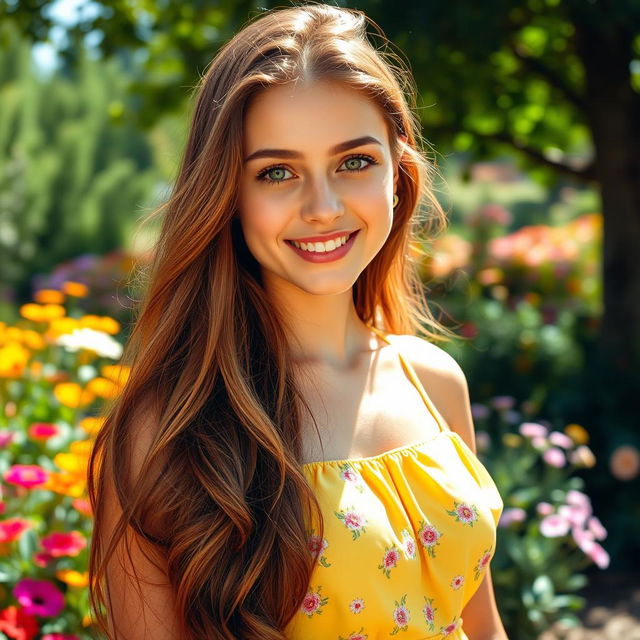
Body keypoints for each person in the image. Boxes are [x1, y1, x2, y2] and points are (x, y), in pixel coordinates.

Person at [87, 4, 508, 639]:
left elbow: (481, 627)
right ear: (227, 193)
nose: (324, 207)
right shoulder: (165, 432)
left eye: (354, 162)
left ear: (399, 173)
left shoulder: (435, 382)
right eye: (277, 173)